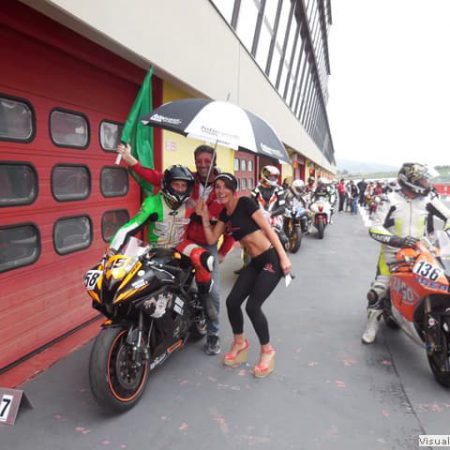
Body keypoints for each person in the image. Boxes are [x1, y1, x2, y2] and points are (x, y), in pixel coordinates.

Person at [117, 143, 235, 355]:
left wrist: (223, 251)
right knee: (165, 280)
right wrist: (130, 159)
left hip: (207, 244)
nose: (202, 165)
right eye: (199, 161)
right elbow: (156, 177)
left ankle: (213, 334)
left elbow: (231, 224)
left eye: (207, 161)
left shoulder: (222, 186)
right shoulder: (188, 179)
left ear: (214, 162)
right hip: (183, 240)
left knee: (213, 292)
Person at [196, 173, 292, 378]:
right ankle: (240, 343)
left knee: (253, 307)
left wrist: (283, 257)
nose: (220, 191)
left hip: (271, 259)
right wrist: (204, 217)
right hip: (254, 262)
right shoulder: (225, 214)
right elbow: (212, 239)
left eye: (225, 187)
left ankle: (267, 351)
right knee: (232, 302)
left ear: (233, 189)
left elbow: (268, 229)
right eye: (217, 187)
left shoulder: (245, 203)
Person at [109, 165, 217, 321]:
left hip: (181, 244)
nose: (180, 189)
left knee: (206, 259)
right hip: (155, 248)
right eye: (176, 184)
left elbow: (215, 220)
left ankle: (205, 298)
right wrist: (112, 250)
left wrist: (205, 214)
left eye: (183, 185)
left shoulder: (192, 205)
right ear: (167, 184)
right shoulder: (152, 203)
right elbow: (131, 226)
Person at [361, 162, 450, 344]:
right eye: (423, 180)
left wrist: (446, 232)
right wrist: (397, 240)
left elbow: (449, 216)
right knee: (379, 290)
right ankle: (371, 326)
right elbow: (375, 228)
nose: (427, 183)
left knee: (438, 282)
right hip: (393, 252)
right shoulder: (388, 199)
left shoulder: (428, 200)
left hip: (421, 250)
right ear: (410, 182)